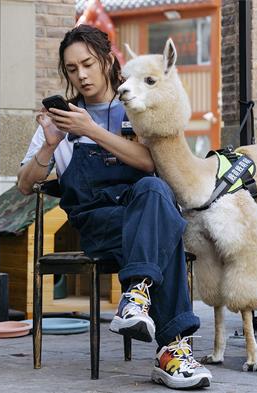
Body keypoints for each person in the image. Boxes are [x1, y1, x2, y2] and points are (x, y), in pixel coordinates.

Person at [17, 24, 212, 389]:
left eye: (88, 64)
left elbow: (151, 163)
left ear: (107, 59)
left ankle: (136, 295)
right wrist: (49, 145)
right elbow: (25, 185)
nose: (82, 75)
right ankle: (172, 351)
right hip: (99, 223)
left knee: (154, 191)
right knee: (163, 233)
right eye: (72, 69)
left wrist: (92, 130)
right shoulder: (64, 119)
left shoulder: (136, 103)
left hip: (143, 214)